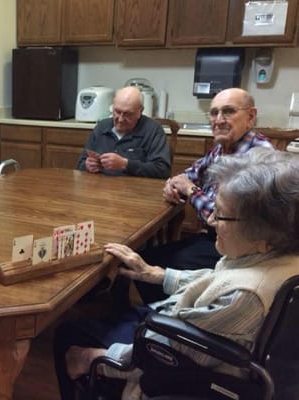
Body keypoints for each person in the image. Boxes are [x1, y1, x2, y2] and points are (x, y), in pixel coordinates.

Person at [54, 148, 299, 400]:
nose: (211, 221)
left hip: (179, 369)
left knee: (68, 336)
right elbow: (218, 281)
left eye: (221, 214)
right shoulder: (277, 256)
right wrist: (157, 274)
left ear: (265, 238)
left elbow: (165, 352)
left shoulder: (246, 296)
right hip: (187, 334)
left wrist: (99, 359)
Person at [133, 87, 275, 304]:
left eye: (228, 111)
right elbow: (190, 173)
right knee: (145, 256)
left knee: (150, 264)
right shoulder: (222, 148)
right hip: (217, 239)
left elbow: (223, 218)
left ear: (251, 116)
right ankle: (167, 311)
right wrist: (173, 184)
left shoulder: (258, 157)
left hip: (241, 252)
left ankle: (173, 318)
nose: (218, 120)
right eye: (214, 113)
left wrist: (190, 190)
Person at [76, 86, 170, 179]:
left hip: (134, 190)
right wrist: (87, 165)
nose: (120, 119)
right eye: (117, 111)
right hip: (100, 189)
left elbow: (162, 171)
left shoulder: (153, 130)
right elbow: (80, 165)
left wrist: (125, 164)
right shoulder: (102, 127)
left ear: (140, 111)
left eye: (127, 114)